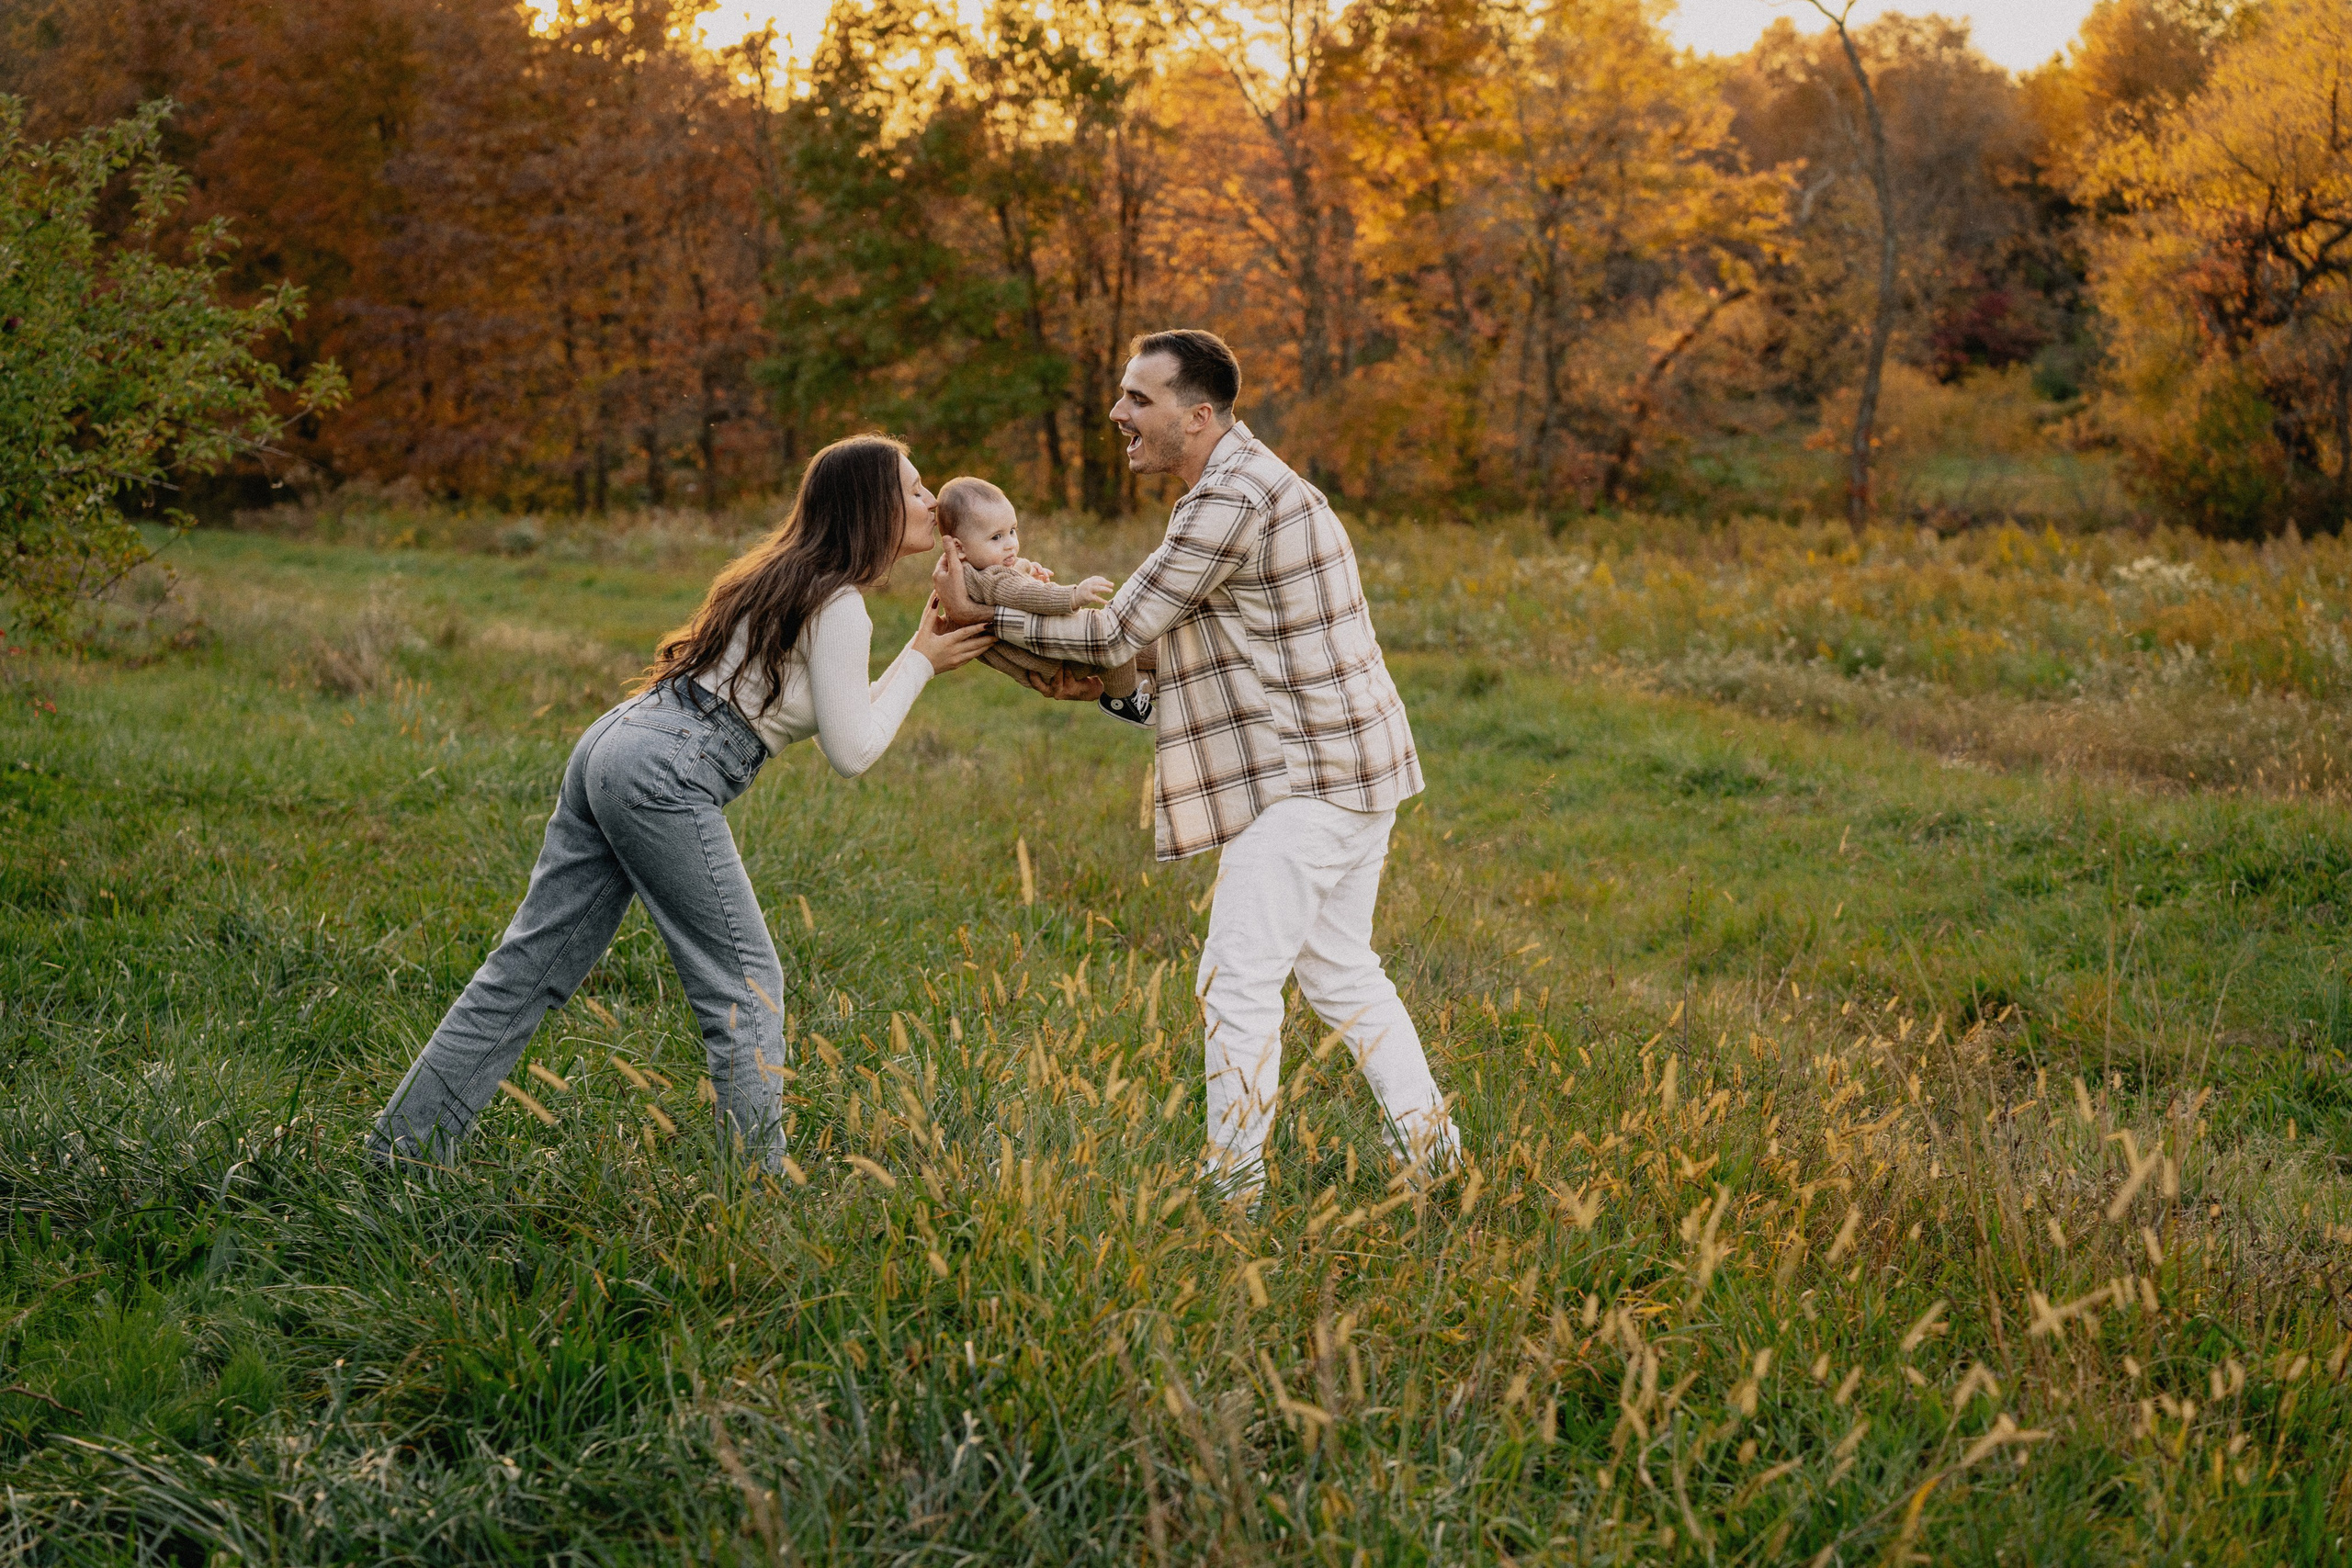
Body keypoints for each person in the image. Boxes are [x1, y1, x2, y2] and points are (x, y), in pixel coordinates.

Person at [370, 435, 994, 1172]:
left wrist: (918, 649)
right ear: (872, 507)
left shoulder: (786, 574)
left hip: (619, 740)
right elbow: (853, 752)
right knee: (746, 985)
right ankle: (756, 1195)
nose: (931, 501)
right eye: (916, 489)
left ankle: (399, 1151)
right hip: (664, 770)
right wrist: (922, 661)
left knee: (527, 964)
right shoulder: (842, 604)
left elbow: (843, 712)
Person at [933, 329, 1458, 1195]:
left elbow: (1112, 628)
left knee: (1237, 980)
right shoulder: (1251, 485)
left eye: (1139, 399)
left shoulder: (1231, 499)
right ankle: (1438, 1158)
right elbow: (1199, 649)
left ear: (1199, 414)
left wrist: (974, 613)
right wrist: (1083, 674)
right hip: (1357, 767)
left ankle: (1233, 1190)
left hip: (1312, 778)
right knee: (1342, 972)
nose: (1118, 413)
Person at [934, 475, 1155, 728]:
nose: (1010, 545)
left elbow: (1016, 584)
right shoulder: (988, 578)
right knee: (1121, 643)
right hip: (1058, 658)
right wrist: (1073, 595)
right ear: (960, 549)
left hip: (1050, 656)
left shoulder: (969, 576)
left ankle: (1130, 691)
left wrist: (1027, 570)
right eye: (996, 537)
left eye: (1012, 531)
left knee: (1152, 650)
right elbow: (1022, 594)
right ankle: (1121, 700)